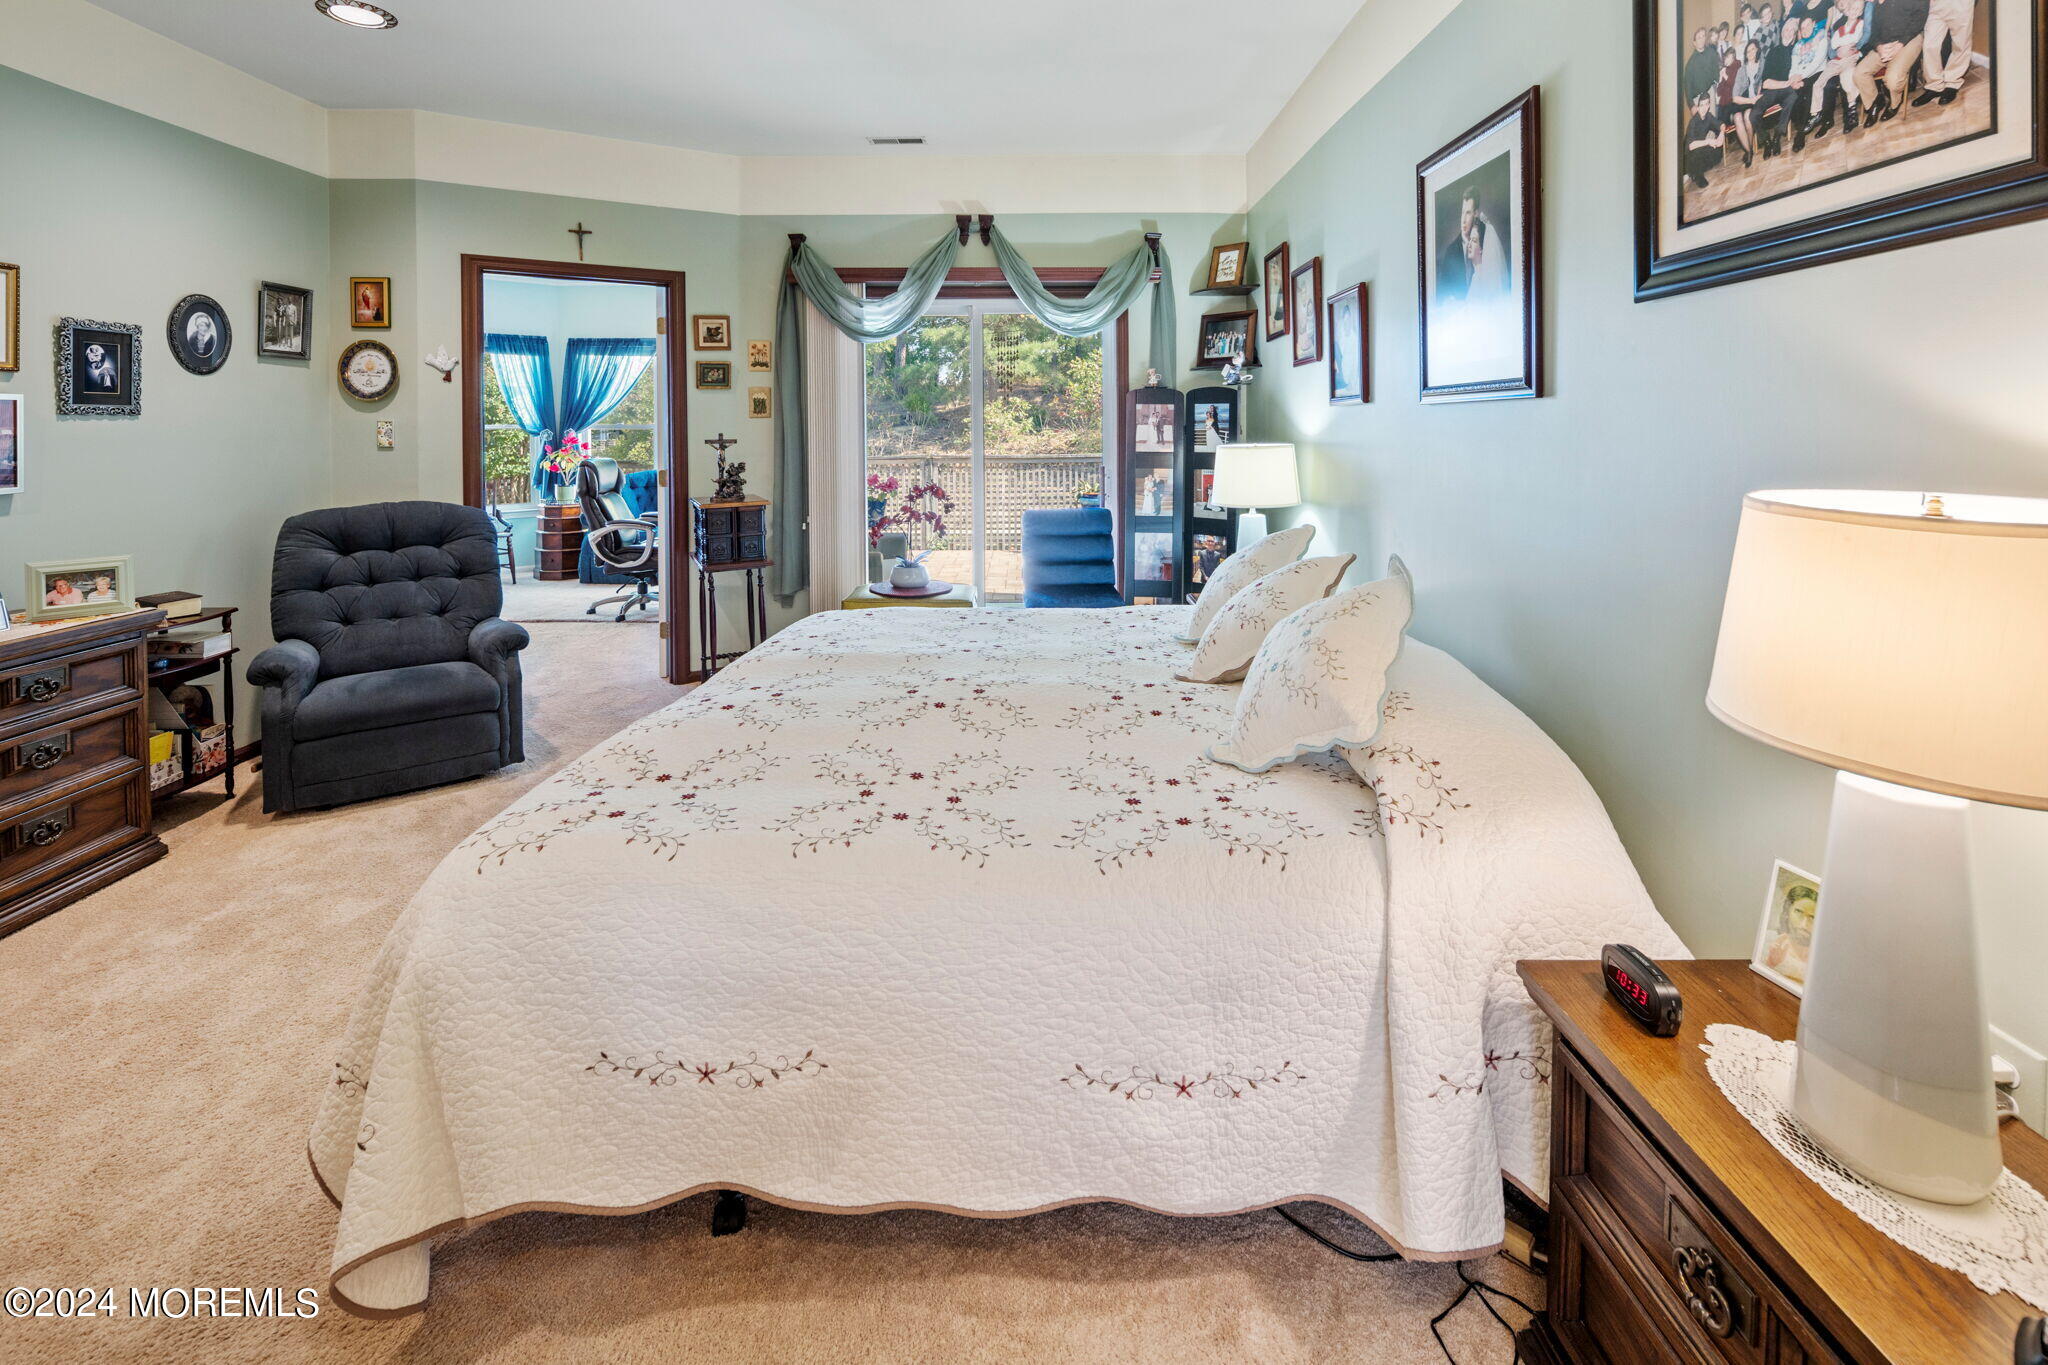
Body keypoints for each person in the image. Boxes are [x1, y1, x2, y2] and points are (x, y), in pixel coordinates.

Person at [1854, 0, 1929, 124]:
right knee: (1859, 73)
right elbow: (1873, 33)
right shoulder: (1876, 3)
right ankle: (1875, 103)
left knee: (1892, 79)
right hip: (1884, 44)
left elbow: (1920, 18)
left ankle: (1894, 103)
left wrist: (1900, 44)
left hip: (1910, 39)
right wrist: (1879, 47)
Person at [1808, 0, 1871, 140]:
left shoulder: (1860, 22)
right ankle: (1818, 114)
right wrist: (1841, 49)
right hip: (1837, 61)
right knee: (1820, 83)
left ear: (1860, 11)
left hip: (1852, 58)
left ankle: (1851, 111)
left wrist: (1851, 48)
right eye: (1851, 8)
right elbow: (1834, 45)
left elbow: (1859, 38)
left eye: (1856, 9)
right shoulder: (1838, 26)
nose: (1853, 10)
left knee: (1847, 78)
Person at [1916, 0, 1974, 105]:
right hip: (1936, 5)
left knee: (1960, 44)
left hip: (1960, 4)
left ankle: (1952, 83)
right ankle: (1934, 85)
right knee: (1929, 46)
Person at [1457, 185, 1509, 298]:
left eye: (1474, 240)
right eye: (1470, 240)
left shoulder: (1484, 279)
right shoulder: (1475, 278)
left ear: (1481, 249)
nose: (1469, 244)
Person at [1730, 40, 1767, 165]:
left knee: (1747, 116)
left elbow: (1765, 82)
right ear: (1745, 54)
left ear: (1757, 51)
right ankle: (1749, 150)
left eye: (1753, 49)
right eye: (1748, 51)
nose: (1751, 53)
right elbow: (1735, 97)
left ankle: (1749, 150)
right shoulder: (1741, 70)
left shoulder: (1762, 65)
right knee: (1737, 117)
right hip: (1744, 100)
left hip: (1757, 101)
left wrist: (1758, 95)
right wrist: (1751, 100)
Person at [1684, 93, 1726, 189]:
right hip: (1690, 152)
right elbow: (1690, 146)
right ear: (1698, 107)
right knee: (1697, 154)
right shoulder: (1693, 122)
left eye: (1706, 104)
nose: (1704, 108)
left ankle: (1697, 169)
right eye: (1701, 105)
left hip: (1702, 146)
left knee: (1718, 153)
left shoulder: (1708, 116)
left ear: (1709, 106)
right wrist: (1709, 142)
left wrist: (1721, 135)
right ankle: (1697, 175)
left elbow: (1721, 124)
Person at [1684, 26, 1723, 103]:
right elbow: (1688, 88)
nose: (1702, 39)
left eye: (1703, 36)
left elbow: (1716, 73)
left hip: (1711, 93)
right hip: (1698, 99)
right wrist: (1692, 106)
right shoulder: (1690, 63)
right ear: (1694, 43)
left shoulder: (1712, 53)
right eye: (1699, 37)